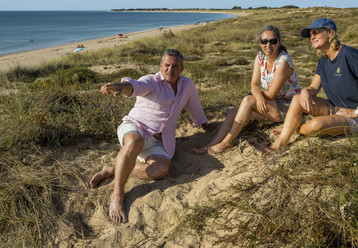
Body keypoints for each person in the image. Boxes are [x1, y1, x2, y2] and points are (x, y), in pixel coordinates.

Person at [89, 49, 208, 224]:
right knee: (136, 141)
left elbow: (195, 108)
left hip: (159, 142)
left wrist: (206, 125)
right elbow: (135, 86)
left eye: (175, 66)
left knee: (162, 169)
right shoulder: (151, 81)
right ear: (161, 66)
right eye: (167, 65)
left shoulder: (187, 86)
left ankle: (114, 169)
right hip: (134, 128)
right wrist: (122, 87)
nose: (170, 69)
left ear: (182, 68)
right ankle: (117, 195)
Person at [259, 18, 358, 153]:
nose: (312, 37)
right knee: (297, 99)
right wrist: (306, 91)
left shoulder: (349, 54)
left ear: (330, 32)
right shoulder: (323, 60)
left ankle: (293, 129)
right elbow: (314, 88)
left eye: (316, 32)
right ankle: (280, 144)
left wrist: (356, 111)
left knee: (316, 125)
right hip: (333, 107)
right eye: (310, 35)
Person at [193, 25, 301, 155]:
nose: (268, 45)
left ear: (279, 42)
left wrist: (257, 98)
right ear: (260, 43)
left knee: (248, 101)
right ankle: (211, 144)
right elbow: (254, 84)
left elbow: (271, 94)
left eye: (272, 41)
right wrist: (259, 97)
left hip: (288, 106)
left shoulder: (284, 61)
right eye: (264, 41)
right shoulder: (260, 57)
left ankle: (227, 142)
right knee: (234, 112)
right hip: (271, 103)